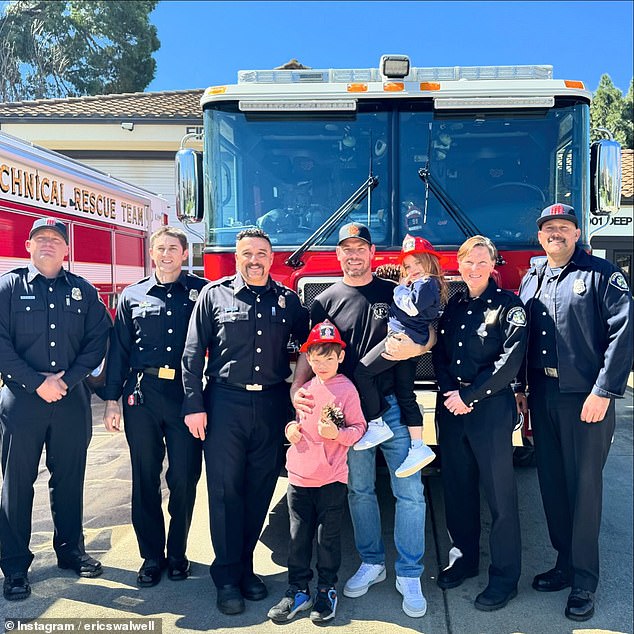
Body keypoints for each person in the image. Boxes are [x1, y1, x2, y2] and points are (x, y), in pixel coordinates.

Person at [291, 222, 433, 619]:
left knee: (410, 493)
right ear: (338, 255)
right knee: (360, 491)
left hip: (392, 408)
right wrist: (296, 390)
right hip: (346, 415)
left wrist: (426, 342)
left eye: (360, 248)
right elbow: (310, 351)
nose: (353, 255)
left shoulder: (395, 293)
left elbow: (425, 330)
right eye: (346, 249)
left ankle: (409, 573)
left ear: (373, 254)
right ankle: (372, 563)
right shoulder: (325, 300)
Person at [181, 227, 309, 615]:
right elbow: (191, 354)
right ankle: (226, 576)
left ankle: (247, 567)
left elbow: (311, 350)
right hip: (224, 404)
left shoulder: (288, 302)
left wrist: (305, 395)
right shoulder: (212, 295)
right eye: (247, 254)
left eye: (262, 254)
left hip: (271, 406)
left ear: (272, 258)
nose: (255, 260)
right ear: (238, 258)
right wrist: (193, 405)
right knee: (224, 494)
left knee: (259, 491)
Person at [514, 203, 633, 622]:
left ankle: (585, 580)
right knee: (552, 485)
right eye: (549, 229)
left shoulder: (602, 275)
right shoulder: (533, 278)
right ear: (541, 236)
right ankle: (564, 564)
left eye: (563, 227)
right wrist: (521, 389)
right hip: (543, 393)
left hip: (587, 399)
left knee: (584, 491)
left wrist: (604, 390)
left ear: (577, 232)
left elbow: (624, 332)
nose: (555, 234)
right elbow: (521, 339)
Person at [0, 217, 110, 601]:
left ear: (67, 250)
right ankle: (14, 567)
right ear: (28, 246)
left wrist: (67, 379)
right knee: (16, 484)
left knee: (70, 478)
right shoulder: (8, 288)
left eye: (56, 239)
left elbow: (99, 339)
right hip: (22, 400)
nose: (48, 244)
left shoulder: (83, 291)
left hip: (70, 398)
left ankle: (71, 551)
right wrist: (37, 382)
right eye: (40, 238)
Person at [100, 226, 209, 588]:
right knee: (144, 477)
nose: (166, 254)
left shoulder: (201, 292)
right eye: (159, 248)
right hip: (142, 394)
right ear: (152, 254)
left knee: (184, 477)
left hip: (186, 394)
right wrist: (112, 400)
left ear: (184, 253)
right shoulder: (132, 296)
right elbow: (118, 350)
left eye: (173, 248)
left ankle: (177, 554)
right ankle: (152, 557)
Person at [431, 235, 527, 612]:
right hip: (453, 409)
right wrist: (449, 392)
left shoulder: (508, 306)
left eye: (481, 262)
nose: (474, 268)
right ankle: (464, 560)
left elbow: (510, 363)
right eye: (468, 262)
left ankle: (504, 578)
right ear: (459, 264)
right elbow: (439, 353)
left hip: (488, 410)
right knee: (457, 490)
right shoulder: (453, 305)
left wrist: (469, 397)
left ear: (493, 265)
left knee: (500, 497)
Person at [267, 320, 366, 624]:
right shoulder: (304, 390)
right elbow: (294, 422)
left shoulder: (347, 390)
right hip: (299, 477)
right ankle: (298, 589)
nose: (322, 365)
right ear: (307, 359)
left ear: (340, 357)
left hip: (331, 479)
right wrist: (290, 429)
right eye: (316, 358)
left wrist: (337, 435)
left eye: (329, 358)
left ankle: (326, 589)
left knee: (327, 539)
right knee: (297, 537)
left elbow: (359, 428)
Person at [353, 234, 446, 477]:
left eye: (418, 263)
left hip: (399, 339)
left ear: (430, 262)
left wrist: (399, 289)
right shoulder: (425, 283)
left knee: (363, 372)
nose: (412, 269)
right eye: (407, 266)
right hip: (409, 339)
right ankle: (418, 445)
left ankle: (376, 421)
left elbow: (411, 307)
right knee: (406, 393)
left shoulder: (424, 284)